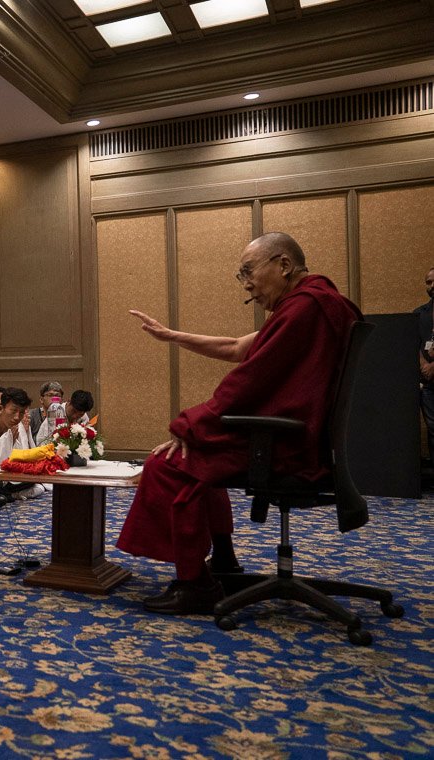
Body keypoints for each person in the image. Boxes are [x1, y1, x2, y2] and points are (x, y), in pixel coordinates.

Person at [117, 232, 361, 615]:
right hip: (299, 438)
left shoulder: (304, 309)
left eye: (249, 271)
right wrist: (169, 335)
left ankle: (195, 585)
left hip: (286, 447)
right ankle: (225, 560)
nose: (246, 285)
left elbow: (249, 381)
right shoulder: (314, 303)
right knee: (201, 458)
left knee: (168, 465)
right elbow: (235, 348)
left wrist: (189, 425)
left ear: (283, 265)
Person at [416, 266, 434, 465]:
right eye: (428, 282)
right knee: (432, 427)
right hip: (427, 384)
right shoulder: (419, 314)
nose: (432, 285)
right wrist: (424, 365)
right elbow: (413, 343)